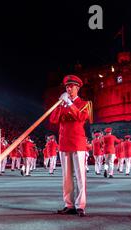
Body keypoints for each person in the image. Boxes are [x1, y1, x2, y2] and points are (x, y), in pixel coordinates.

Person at [49, 75, 90, 217]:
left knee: (80, 176)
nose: (68, 88)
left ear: (77, 88)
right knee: (66, 177)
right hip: (64, 142)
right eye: (67, 86)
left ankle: (80, 205)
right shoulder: (62, 105)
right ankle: (69, 204)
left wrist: (69, 103)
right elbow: (53, 120)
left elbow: (80, 117)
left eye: (71, 86)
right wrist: (60, 105)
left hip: (78, 142)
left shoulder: (84, 103)